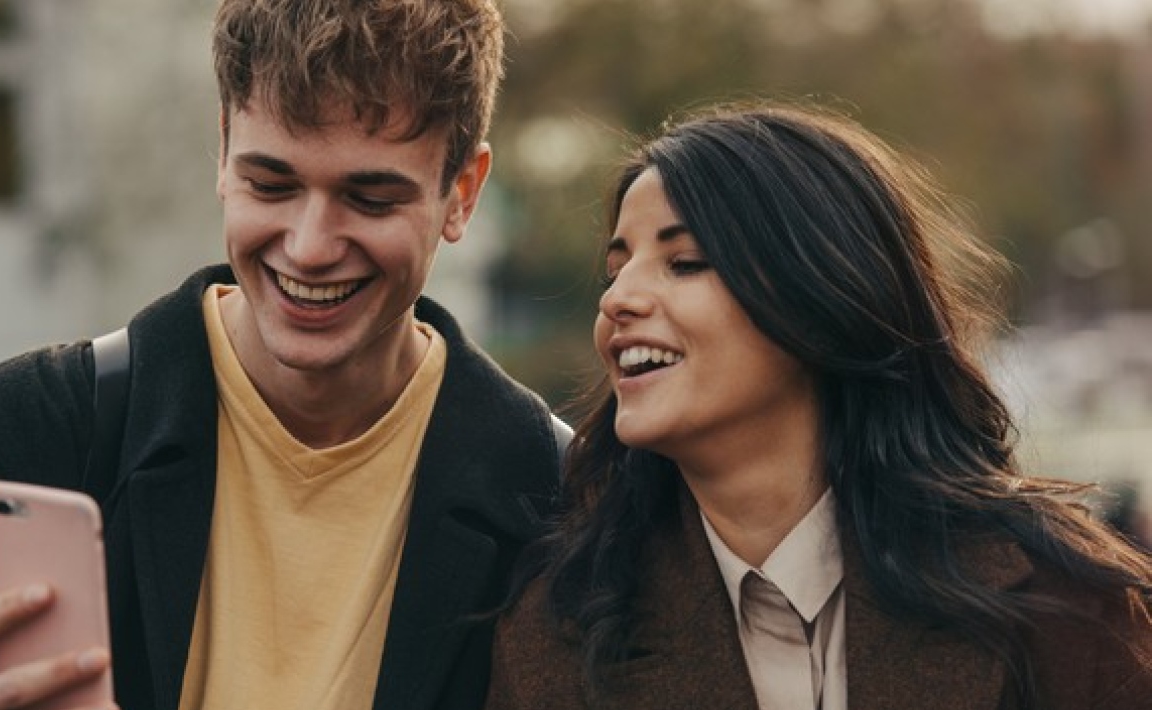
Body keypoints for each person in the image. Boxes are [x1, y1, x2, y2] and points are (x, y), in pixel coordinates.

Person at [0, 2, 569, 709]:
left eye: (370, 200)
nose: (308, 246)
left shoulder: (557, 496)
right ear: (224, 151)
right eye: (270, 184)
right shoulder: (14, 437)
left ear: (462, 193)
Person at [484, 102, 1152, 710]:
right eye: (615, 269)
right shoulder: (559, 632)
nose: (617, 300)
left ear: (821, 297)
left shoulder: (1063, 602)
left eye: (683, 262)